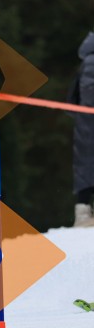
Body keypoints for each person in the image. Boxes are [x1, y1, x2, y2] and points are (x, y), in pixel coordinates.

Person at [70, 30, 94, 227]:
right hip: (87, 121)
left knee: (85, 167)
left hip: (85, 124)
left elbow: (72, 98)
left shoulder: (86, 62)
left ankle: (82, 212)